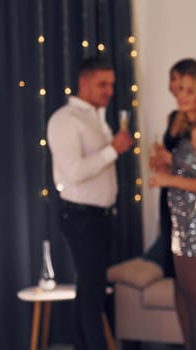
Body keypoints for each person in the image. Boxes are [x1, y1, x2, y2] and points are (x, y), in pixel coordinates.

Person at [47, 56, 133, 350]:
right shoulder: (64, 120)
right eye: (102, 84)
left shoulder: (97, 117)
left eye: (111, 84)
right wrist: (113, 150)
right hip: (81, 218)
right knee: (93, 295)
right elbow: (74, 173)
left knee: (88, 293)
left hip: (99, 218)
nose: (109, 90)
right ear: (83, 82)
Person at [149, 66, 196, 350]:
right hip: (180, 222)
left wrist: (168, 178)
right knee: (183, 294)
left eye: (189, 90)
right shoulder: (185, 127)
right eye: (180, 89)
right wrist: (168, 163)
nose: (181, 95)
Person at [147, 58, 196, 278]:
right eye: (177, 85)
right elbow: (181, 162)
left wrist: (170, 173)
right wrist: (165, 162)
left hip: (194, 210)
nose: (178, 92)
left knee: (194, 288)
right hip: (174, 199)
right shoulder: (177, 118)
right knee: (180, 282)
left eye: (185, 88)